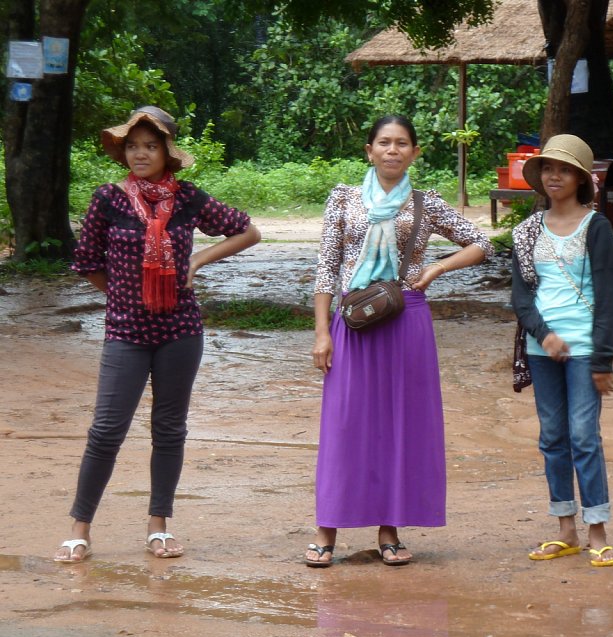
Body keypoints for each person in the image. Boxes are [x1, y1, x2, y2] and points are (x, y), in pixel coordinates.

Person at [54, 106, 261, 562]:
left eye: (150, 146)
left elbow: (249, 232)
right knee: (106, 430)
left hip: (180, 329)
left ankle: (158, 524)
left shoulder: (188, 198)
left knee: (169, 430)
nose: (140, 153)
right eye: (132, 146)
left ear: (167, 152)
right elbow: (86, 261)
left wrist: (197, 261)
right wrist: (124, 296)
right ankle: (80, 527)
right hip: (126, 331)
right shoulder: (107, 199)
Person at [306, 115, 493, 567]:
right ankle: (326, 530)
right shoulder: (344, 200)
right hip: (352, 322)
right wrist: (320, 332)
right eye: (384, 143)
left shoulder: (427, 204)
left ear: (415, 152)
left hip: (407, 319)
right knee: (345, 425)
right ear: (368, 150)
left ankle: (389, 531)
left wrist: (436, 270)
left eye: (402, 143)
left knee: (399, 427)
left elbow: (480, 242)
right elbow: (326, 266)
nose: (393, 150)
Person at [510, 134, 613, 568]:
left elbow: (609, 296)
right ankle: (565, 529)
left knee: (583, 436)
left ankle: (598, 529)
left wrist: (601, 357)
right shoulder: (525, 233)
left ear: (581, 179)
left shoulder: (597, 227)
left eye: (564, 169)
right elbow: (520, 299)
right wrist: (544, 334)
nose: (554, 176)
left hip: (585, 348)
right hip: (543, 351)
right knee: (552, 437)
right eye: (548, 170)